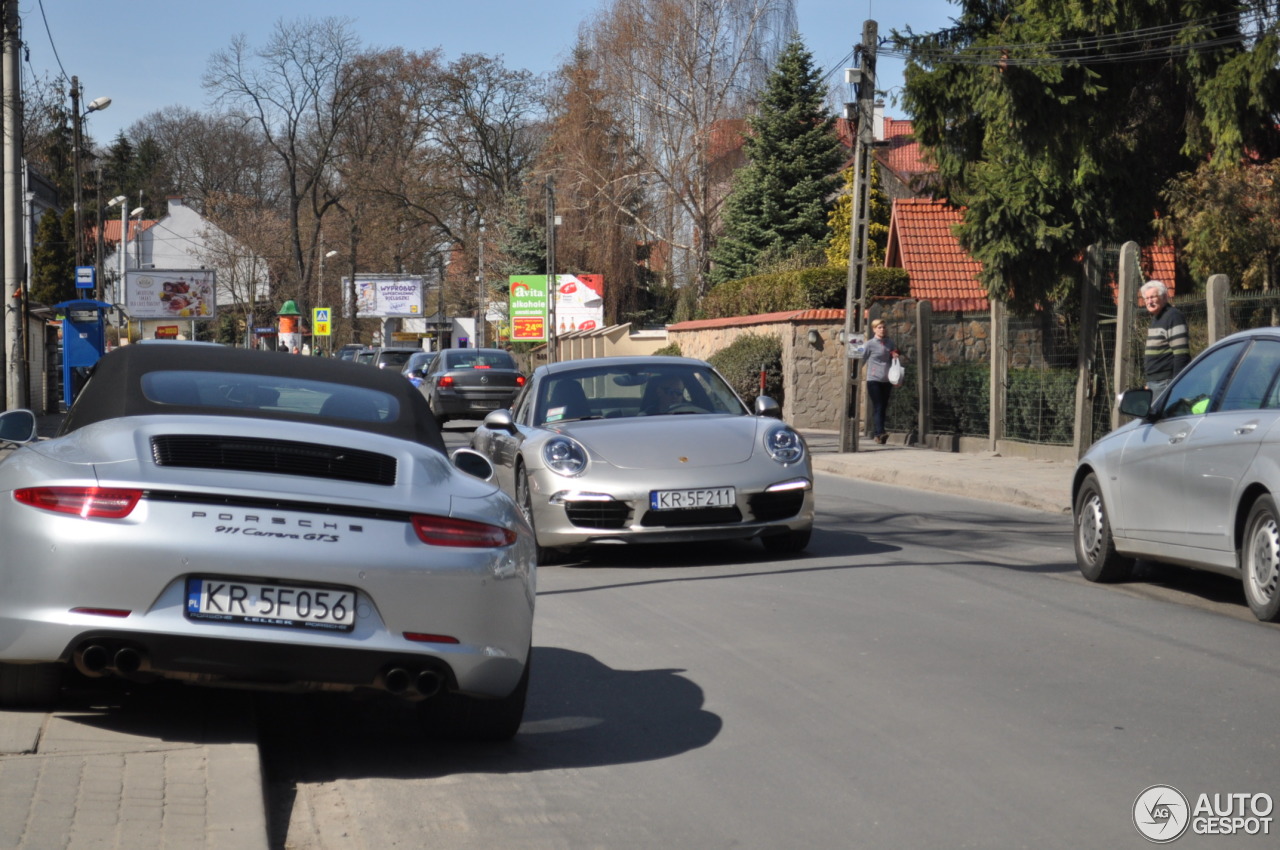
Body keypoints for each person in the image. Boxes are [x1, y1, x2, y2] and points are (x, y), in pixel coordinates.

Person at [1140, 280, 1190, 400]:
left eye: (1152, 297)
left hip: (1166, 382)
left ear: (1164, 297)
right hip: (1155, 382)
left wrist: (1176, 384)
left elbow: (1181, 354)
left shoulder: (1173, 317)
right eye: (1146, 298)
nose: (1149, 302)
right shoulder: (1157, 319)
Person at [861, 318, 899, 445]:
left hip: (887, 379)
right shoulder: (869, 344)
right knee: (878, 406)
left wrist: (895, 353)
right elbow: (862, 359)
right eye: (879, 327)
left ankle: (879, 433)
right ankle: (880, 433)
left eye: (883, 327)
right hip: (874, 380)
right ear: (874, 329)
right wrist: (853, 374)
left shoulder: (890, 343)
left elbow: (894, 353)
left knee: (883, 407)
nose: (882, 330)